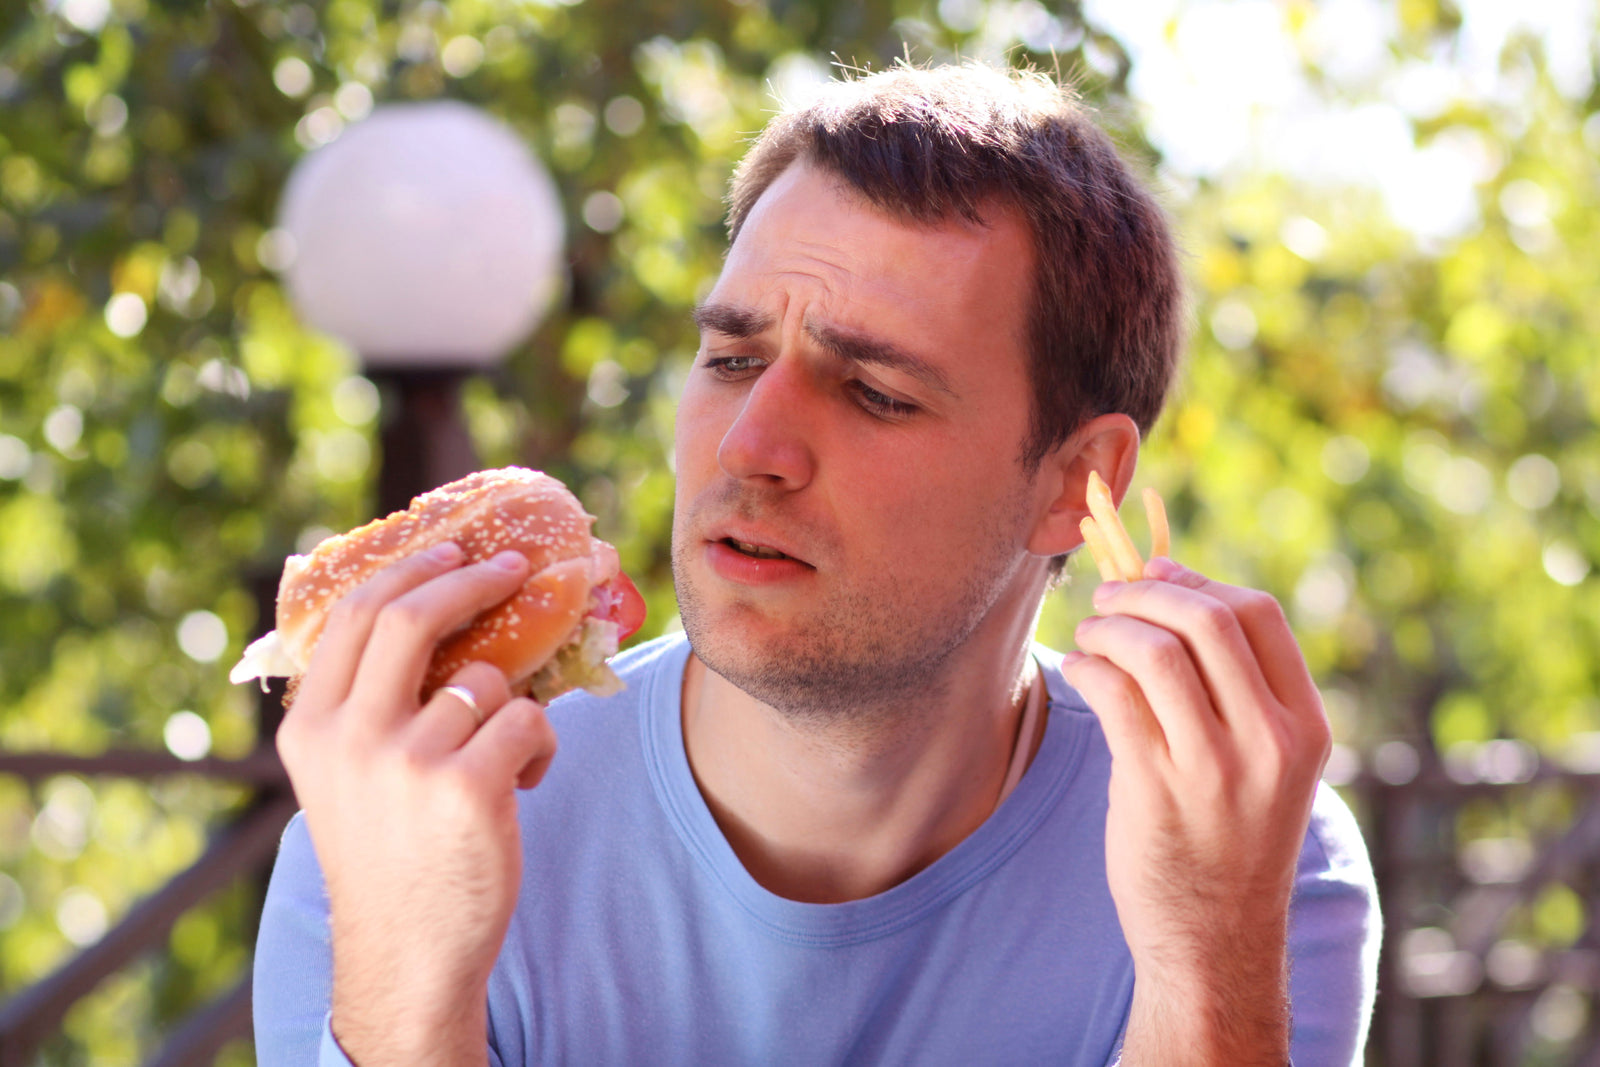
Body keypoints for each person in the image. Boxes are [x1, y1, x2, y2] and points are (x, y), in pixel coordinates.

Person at [253, 62, 1379, 1065]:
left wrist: (1200, 959)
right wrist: (410, 986)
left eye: (875, 393)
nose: (750, 447)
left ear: (1073, 483)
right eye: (733, 357)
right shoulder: (395, 818)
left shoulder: (1249, 866)